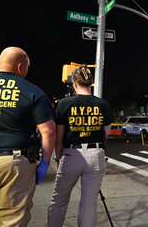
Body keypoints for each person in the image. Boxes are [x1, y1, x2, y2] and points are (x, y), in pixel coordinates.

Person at [0, 47, 56, 226]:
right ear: (20, 67)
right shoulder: (33, 91)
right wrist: (44, 164)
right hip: (16, 164)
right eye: (27, 68)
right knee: (11, 220)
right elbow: (48, 132)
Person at [47, 64, 114, 227]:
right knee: (89, 201)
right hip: (96, 154)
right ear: (91, 83)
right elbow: (107, 132)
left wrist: (58, 157)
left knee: (59, 199)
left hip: (72, 154)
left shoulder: (64, 104)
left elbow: (59, 136)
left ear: (74, 84)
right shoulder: (103, 104)